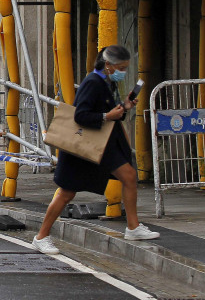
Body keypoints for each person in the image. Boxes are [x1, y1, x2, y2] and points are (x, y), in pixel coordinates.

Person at [33, 44, 159, 254]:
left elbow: (111, 112)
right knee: (66, 193)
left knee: (128, 176)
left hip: (103, 145)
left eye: (125, 68)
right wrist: (107, 116)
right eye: (120, 67)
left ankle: (133, 226)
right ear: (108, 64)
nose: (123, 72)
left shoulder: (106, 82)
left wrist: (125, 107)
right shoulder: (93, 82)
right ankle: (41, 236)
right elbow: (81, 115)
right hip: (84, 147)